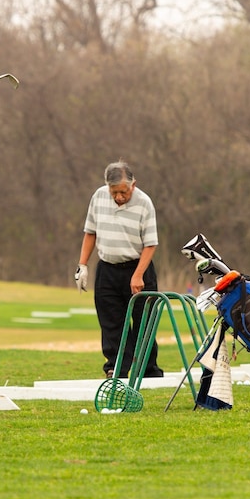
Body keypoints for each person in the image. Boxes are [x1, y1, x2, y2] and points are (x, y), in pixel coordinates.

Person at [74, 161, 164, 379]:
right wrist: (82, 265)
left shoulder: (144, 203)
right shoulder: (98, 197)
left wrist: (138, 275)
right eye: (114, 192)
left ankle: (148, 370)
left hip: (138, 268)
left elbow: (150, 244)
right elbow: (90, 232)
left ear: (133, 185)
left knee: (144, 323)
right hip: (107, 270)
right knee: (111, 322)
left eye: (123, 192)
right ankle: (116, 369)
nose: (119, 197)